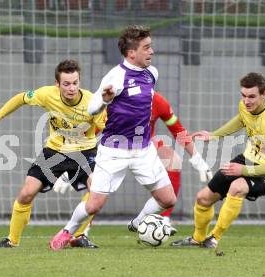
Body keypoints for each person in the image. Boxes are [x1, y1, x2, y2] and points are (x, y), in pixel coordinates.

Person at [48, 25, 178, 250]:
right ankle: (67, 231)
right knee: (94, 205)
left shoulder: (151, 73)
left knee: (168, 199)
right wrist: (106, 99)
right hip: (113, 150)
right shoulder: (116, 76)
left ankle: (138, 223)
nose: (151, 51)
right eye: (146, 48)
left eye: (150, 46)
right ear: (131, 53)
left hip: (143, 150)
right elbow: (91, 109)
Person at [0, 59, 106, 248]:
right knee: (26, 193)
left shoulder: (92, 102)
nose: (71, 88)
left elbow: (107, 129)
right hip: (54, 151)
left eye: (75, 83)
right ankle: (12, 240)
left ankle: (78, 236)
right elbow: (20, 98)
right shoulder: (47, 94)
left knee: (96, 192)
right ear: (57, 84)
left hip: (85, 152)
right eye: (66, 84)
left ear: (80, 81)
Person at [60, 91, 213, 248]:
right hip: (114, 148)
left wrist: (197, 159)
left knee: (173, 160)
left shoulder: (158, 101)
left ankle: (161, 219)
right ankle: (81, 232)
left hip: (143, 148)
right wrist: (71, 165)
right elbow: (92, 131)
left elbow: (177, 130)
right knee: (96, 187)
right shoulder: (115, 99)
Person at [171, 72, 265, 248]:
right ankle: (197, 239)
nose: (246, 101)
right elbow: (241, 120)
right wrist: (214, 135)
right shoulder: (245, 106)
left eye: (252, 96)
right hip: (248, 160)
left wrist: (243, 171)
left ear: (264, 95)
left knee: (237, 187)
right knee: (203, 198)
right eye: (243, 95)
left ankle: (214, 238)